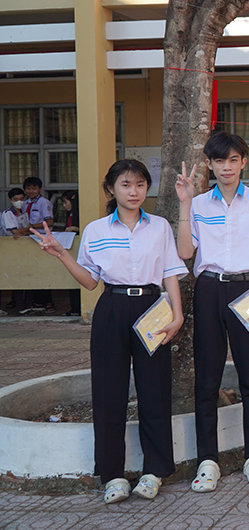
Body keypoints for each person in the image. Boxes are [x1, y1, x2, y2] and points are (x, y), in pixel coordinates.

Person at [31, 160, 185, 504]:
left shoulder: (159, 226)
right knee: (108, 392)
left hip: (151, 310)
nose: (134, 192)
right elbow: (90, 281)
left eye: (140, 185)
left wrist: (177, 315)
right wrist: (61, 254)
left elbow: (170, 272)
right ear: (111, 189)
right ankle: (113, 475)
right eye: (126, 185)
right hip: (111, 308)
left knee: (155, 391)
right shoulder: (96, 230)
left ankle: (154, 471)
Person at [175, 132, 249, 492]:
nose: (227, 167)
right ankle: (207, 461)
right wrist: (184, 204)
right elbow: (184, 253)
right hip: (209, 289)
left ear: (243, 162)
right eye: (220, 160)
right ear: (210, 165)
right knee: (206, 380)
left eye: (233, 160)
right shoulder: (198, 203)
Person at [23, 177, 55, 313]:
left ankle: (48, 301)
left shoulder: (44, 203)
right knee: (30, 270)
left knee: (43, 270)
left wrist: (31, 227)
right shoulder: (24, 203)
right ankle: (34, 301)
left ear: (40, 189)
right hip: (27, 240)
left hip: (41, 239)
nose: (31, 191)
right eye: (28, 188)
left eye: (34, 188)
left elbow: (50, 222)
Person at [61, 190, 82, 316]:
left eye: (65, 202)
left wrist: (75, 228)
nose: (64, 206)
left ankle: (78, 308)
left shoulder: (80, 214)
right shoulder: (69, 214)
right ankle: (73, 307)